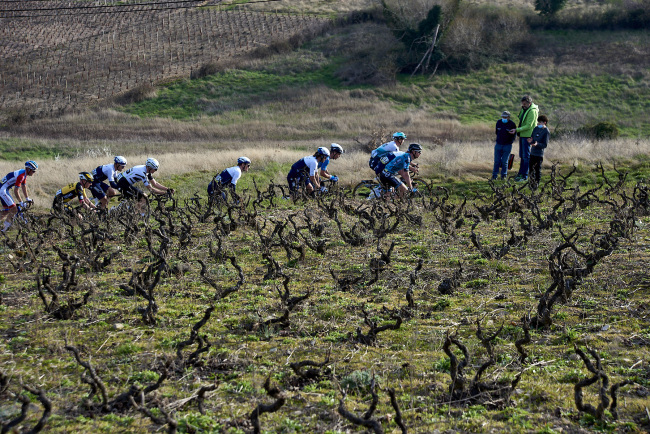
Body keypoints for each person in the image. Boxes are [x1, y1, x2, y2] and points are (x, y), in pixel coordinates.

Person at [0, 160, 38, 233]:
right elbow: (16, 191)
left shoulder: (24, 173)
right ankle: (4, 230)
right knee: (14, 209)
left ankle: (4, 228)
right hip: (2, 190)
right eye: (33, 171)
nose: (34, 173)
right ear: (28, 169)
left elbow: (24, 187)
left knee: (6, 211)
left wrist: (27, 198)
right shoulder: (21, 176)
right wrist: (21, 202)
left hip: (3, 189)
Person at [509, 95, 539, 181]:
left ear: (529, 103)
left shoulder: (532, 111)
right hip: (522, 135)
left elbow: (529, 125)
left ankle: (525, 175)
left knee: (526, 156)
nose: (523, 105)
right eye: (522, 104)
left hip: (527, 136)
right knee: (522, 156)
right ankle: (521, 173)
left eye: (525, 104)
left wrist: (517, 130)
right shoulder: (525, 109)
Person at [493, 111, 517, 180]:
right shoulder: (498, 122)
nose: (503, 118)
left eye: (505, 117)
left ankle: (503, 176)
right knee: (496, 161)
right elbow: (497, 132)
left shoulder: (512, 124)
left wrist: (510, 142)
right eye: (503, 117)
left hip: (507, 145)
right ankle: (494, 176)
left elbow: (514, 135)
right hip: (498, 144)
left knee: (504, 162)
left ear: (509, 117)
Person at [528, 115, 550, 189]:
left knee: (537, 170)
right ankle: (531, 184)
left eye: (540, 122)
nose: (539, 124)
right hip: (532, 152)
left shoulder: (546, 131)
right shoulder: (536, 128)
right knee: (531, 169)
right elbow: (532, 138)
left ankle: (536, 185)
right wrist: (531, 141)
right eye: (538, 122)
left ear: (544, 122)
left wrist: (537, 144)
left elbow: (545, 144)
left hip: (539, 154)